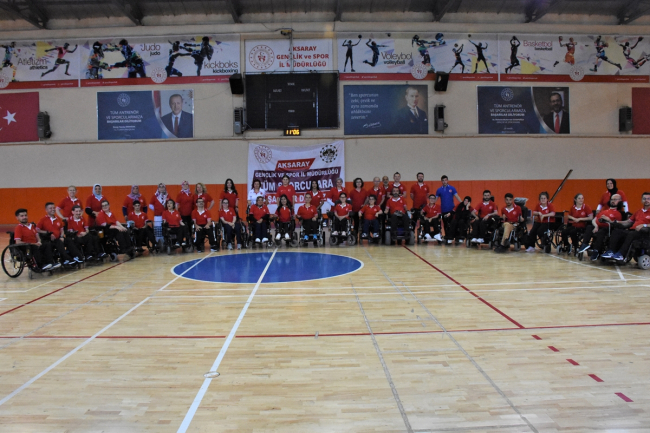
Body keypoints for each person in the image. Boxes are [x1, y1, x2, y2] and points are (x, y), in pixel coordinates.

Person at [601, 192, 650, 262]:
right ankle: (611, 251)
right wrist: (614, 222)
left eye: (648, 199)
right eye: (644, 199)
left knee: (631, 234)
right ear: (641, 200)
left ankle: (621, 254)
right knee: (617, 231)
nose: (646, 200)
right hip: (633, 231)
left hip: (644, 233)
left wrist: (644, 225)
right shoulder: (639, 211)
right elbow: (628, 221)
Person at [577, 194, 624, 261]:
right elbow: (594, 220)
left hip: (608, 229)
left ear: (619, 201)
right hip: (598, 226)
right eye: (612, 199)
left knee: (601, 232)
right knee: (589, 227)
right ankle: (585, 244)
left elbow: (617, 225)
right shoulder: (604, 211)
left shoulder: (618, 213)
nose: (613, 201)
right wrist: (596, 226)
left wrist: (609, 220)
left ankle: (596, 251)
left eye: (615, 200)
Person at [436, 175, 462, 242]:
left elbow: (457, 196)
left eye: (445, 180)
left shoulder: (452, 188)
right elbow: (435, 199)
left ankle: (455, 237)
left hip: (451, 209)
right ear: (441, 181)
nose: (444, 181)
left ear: (447, 180)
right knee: (445, 224)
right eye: (443, 180)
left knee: (453, 223)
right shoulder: (439, 190)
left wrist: (462, 203)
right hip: (443, 210)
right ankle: (447, 237)